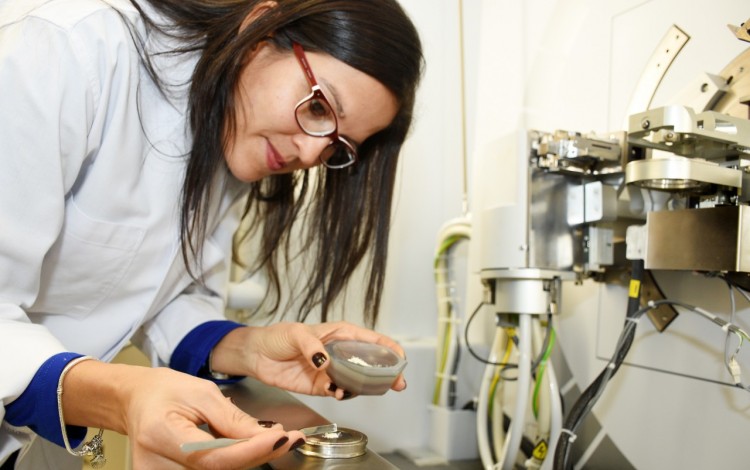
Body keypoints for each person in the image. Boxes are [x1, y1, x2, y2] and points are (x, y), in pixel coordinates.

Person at [0, 0, 423, 468]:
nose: (309, 151)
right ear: (260, 26)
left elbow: (159, 295)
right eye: (319, 105)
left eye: (338, 145)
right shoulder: (73, 52)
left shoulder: (236, 137)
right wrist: (120, 396)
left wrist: (251, 349)